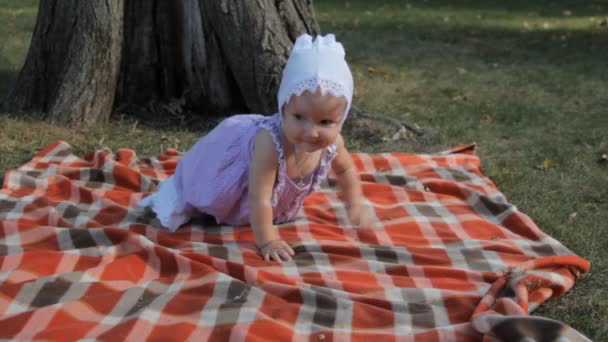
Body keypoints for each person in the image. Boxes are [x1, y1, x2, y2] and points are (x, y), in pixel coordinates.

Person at [139, 33, 370, 262]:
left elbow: (345, 171)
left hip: (265, 195)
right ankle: (190, 186)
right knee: (206, 195)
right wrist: (267, 240)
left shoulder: (333, 145)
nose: (311, 132)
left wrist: (355, 205)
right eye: (299, 117)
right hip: (236, 175)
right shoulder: (270, 143)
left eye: (325, 122)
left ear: (341, 120)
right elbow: (260, 195)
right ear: (283, 109)